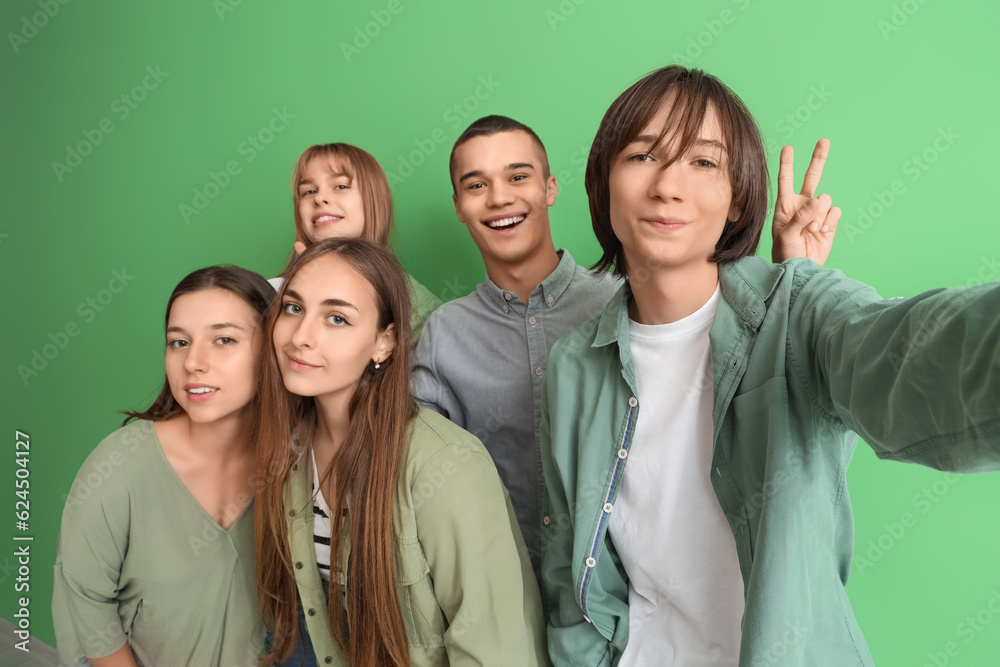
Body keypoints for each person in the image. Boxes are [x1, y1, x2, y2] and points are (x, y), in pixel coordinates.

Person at [540, 65, 1000, 666]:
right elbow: (567, 566)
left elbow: (903, 355)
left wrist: (798, 277)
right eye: (643, 156)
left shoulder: (797, 311)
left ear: (737, 200)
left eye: (703, 162)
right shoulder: (572, 365)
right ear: (604, 183)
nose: (668, 186)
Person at [413, 114, 839, 582]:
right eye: (477, 185)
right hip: (498, 599)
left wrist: (794, 275)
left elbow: (736, 378)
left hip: (625, 604)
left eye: (518, 176)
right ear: (458, 205)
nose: (500, 198)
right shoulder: (443, 335)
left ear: (550, 188)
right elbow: (414, 477)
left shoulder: (630, 299)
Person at [253, 238, 548, 666]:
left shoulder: (446, 464)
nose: (301, 337)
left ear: (384, 343)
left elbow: (496, 650)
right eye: (294, 308)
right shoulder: (289, 454)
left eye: (336, 318)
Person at [52, 266, 274, 667]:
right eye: (179, 342)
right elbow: (84, 601)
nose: (193, 362)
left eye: (224, 339)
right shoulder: (119, 465)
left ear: (273, 348)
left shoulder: (291, 467)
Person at [272, 143, 441, 341]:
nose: (320, 198)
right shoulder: (272, 291)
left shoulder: (417, 304)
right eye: (309, 191)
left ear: (373, 201)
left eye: (341, 186)